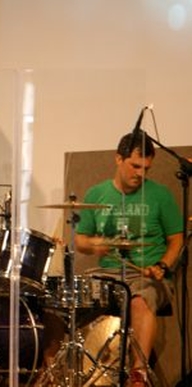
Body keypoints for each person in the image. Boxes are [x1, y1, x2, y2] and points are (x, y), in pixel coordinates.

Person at [74, 131, 183, 386]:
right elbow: (80, 241)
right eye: (135, 166)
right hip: (108, 274)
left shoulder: (161, 195)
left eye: (146, 168)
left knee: (140, 300)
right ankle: (57, 370)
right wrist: (94, 244)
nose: (141, 174)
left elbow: (176, 239)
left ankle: (138, 375)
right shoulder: (96, 194)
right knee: (61, 300)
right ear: (118, 159)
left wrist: (162, 265)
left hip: (145, 274)